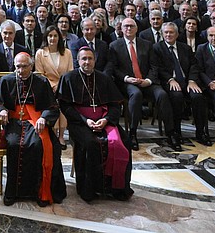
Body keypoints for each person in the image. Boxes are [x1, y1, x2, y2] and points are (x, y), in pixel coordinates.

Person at [57, 45, 133, 201]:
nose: (87, 62)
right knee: (91, 144)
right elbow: (65, 106)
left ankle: (117, 188)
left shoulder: (104, 78)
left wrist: (105, 120)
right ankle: (89, 189)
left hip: (105, 121)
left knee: (124, 141)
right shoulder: (69, 78)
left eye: (90, 58)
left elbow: (114, 105)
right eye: (83, 59)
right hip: (79, 123)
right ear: (78, 61)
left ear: (95, 60)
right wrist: (86, 121)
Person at [0, 52, 66, 206]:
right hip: (14, 121)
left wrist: (44, 118)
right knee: (13, 144)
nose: (20, 70)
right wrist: (2, 110)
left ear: (31, 66)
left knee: (38, 145)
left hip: (36, 120)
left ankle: (37, 192)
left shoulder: (41, 81)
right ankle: (12, 192)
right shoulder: (7, 81)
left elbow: (52, 106)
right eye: (17, 66)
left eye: (24, 66)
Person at [105, 16, 159, 150]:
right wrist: (126, 78)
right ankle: (133, 133)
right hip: (127, 83)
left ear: (137, 28)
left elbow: (154, 66)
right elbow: (114, 68)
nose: (129, 28)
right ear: (121, 29)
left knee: (162, 95)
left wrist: (149, 80)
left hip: (146, 81)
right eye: (126, 26)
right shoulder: (114, 46)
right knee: (136, 94)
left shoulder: (146, 44)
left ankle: (172, 132)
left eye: (131, 26)